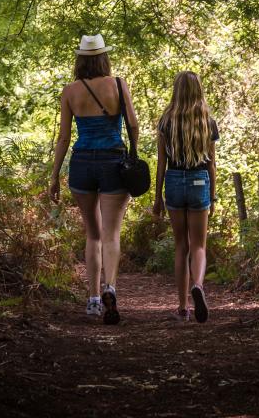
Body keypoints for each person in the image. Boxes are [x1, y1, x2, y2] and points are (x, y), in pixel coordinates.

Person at [49, 33, 139, 324]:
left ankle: (92, 298)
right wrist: (133, 153)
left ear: (80, 60)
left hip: (82, 163)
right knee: (112, 233)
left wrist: (53, 176)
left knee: (93, 234)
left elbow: (64, 138)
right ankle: (110, 286)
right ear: (104, 58)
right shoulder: (118, 84)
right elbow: (133, 124)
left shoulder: (70, 91)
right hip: (114, 160)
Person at [153, 70, 219, 323]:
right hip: (200, 179)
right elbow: (212, 164)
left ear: (176, 91)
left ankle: (182, 308)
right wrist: (212, 196)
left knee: (181, 246)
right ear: (198, 90)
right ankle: (199, 286)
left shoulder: (166, 121)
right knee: (199, 245)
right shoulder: (207, 121)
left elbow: (161, 163)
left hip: (173, 181)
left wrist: (157, 198)